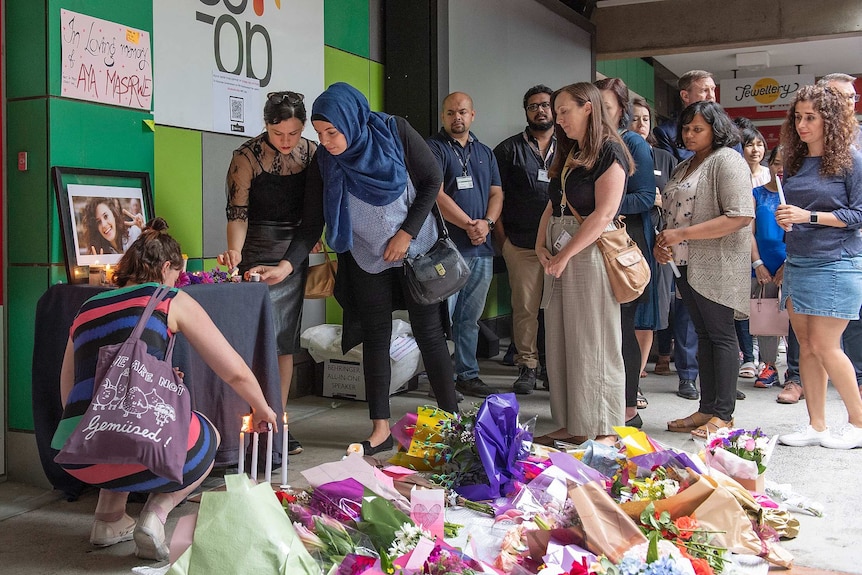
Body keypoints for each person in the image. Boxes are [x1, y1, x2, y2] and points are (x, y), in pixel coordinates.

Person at [54, 218, 278, 560]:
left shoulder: (85, 308)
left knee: (116, 425)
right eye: (177, 274)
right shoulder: (168, 298)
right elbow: (233, 371)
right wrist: (262, 407)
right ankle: (155, 516)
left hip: (80, 455)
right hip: (140, 451)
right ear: (168, 267)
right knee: (209, 434)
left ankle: (108, 520)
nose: (178, 282)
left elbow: (68, 389)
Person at [308, 82, 459, 455]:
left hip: (415, 250)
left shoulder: (393, 131)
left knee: (429, 333)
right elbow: (312, 216)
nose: (325, 141)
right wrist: (287, 261)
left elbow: (431, 180)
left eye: (332, 131)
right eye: (319, 133)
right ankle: (380, 429)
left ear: (352, 121)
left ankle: (451, 421)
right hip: (364, 257)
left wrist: (406, 234)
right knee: (375, 337)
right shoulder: (326, 159)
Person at [217, 91, 319, 456]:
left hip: (293, 253)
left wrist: (308, 245)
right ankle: (250, 416)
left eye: (293, 133)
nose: (287, 142)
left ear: (303, 127)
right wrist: (236, 252)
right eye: (279, 135)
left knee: (285, 342)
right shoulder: (245, 157)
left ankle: (278, 419)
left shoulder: (313, 154)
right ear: (266, 126)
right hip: (256, 251)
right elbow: (237, 214)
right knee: (255, 340)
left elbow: (314, 214)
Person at [532, 82, 633, 446]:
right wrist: (541, 245)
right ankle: (574, 423)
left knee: (594, 340)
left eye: (563, 111)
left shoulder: (610, 151)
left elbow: (603, 214)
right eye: (556, 112)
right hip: (560, 253)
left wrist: (564, 254)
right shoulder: (569, 151)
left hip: (587, 253)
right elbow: (552, 204)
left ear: (588, 108)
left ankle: (603, 427)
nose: (557, 119)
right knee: (561, 339)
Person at [657, 101, 754, 440]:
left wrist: (680, 234)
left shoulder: (727, 160)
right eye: (686, 128)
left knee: (721, 335)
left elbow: (740, 215)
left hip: (719, 263)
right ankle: (707, 409)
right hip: (684, 263)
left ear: (717, 129)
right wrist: (664, 241)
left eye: (698, 128)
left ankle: (724, 416)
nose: (689, 134)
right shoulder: (685, 165)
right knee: (704, 336)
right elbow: (672, 212)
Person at [774, 84, 862, 449]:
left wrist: (809, 216)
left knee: (827, 346)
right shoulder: (795, 161)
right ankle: (817, 425)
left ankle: (858, 423)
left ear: (831, 120)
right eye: (798, 117)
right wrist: (786, 219)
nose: (802, 125)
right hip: (798, 259)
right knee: (807, 347)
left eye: (811, 117)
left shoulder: (852, 160)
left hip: (837, 261)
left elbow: (858, 214)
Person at [427, 92, 503, 399]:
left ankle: (467, 375)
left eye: (462, 112)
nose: (456, 117)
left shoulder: (485, 152)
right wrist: (469, 225)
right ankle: (441, 380)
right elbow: (436, 193)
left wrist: (487, 223)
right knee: (442, 319)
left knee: (470, 317)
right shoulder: (434, 148)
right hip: (446, 248)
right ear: (443, 116)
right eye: (450, 113)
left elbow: (497, 193)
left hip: (481, 250)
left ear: (473, 115)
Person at [594, 78, 657, 429]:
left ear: (621, 109)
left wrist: (602, 207)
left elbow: (646, 197)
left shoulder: (632, 141)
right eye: (594, 106)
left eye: (607, 106)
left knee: (623, 327)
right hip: (595, 246)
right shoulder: (592, 143)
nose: (600, 113)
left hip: (624, 246)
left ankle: (629, 408)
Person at [494, 85, 556, 395]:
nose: (540, 110)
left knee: (558, 310)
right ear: (526, 112)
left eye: (545, 105)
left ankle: (553, 368)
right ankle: (527, 367)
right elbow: (495, 197)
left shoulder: (572, 146)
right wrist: (503, 241)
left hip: (562, 246)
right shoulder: (508, 150)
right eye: (533, 106)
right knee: (526, 309)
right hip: (521, 243)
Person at [818, 73, 862, 400]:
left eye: (852, 98)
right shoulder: (809, 145)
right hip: (822, 249)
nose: (848, 103)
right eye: (840, 97)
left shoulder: (857, 144)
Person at [630, 98, 679, 381]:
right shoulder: (618, 154)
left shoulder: (664, 158)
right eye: (634, 118)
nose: (640, 124)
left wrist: (661, 202)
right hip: (623, 239)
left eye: (645, 119)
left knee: (651, 306)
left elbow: (678, 198)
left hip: (656, 240)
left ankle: (637, 374)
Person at [735, 124, 772, 382]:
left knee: (767, 306)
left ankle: (765, 359)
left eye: (759, 144)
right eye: (750, 144)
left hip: (765, 250)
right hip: (739, 247)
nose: (755, 149)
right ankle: (748, 354)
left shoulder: (770, 179)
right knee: (744, 306)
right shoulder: (735, 175)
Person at [749, 146, 787, 389]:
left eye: (786, 164)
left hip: (790, 264)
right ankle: (768, 366)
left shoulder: (798, 197)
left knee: (795, 320)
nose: (781, 169)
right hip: (762, 266)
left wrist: (788, 265)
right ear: (769, 165)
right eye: (777, 163)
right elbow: (748, 233)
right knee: (766, 317)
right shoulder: (756, 193)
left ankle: (797, 371)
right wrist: (758, 263)